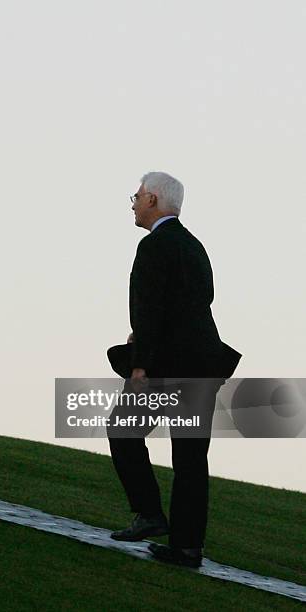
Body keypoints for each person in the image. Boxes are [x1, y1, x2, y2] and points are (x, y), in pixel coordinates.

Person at [106, 171, 241, 568]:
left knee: (122, 431)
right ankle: (187, 547)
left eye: (136, 195)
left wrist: (140, 365)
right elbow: (196, 302)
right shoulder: (194, 246)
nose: (132, 202)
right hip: (204, 363)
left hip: (167, 367)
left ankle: (148, 513)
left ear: (152, 201)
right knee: (190, 459)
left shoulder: (153, 246)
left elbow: (148, 309)